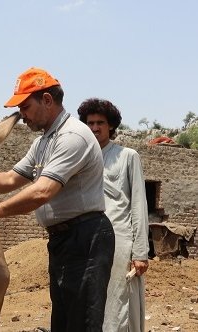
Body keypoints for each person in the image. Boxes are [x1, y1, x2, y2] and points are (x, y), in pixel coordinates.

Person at [0, 67, 115, 332]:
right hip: (62, 241)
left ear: (46, 100)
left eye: (25, 106)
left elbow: (42, 192)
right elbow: (11, 179)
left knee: (82, 324)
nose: (22, 115)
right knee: (63, 322)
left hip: (86, 239)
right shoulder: (43, 141)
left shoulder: (73, 136)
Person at [78, 98, 149, 332]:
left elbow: (138, 204)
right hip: (85, 241)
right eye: (90, 123)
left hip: (119, 240)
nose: (95, 128)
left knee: (118, 303)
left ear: (111, 126)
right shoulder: (79, 159)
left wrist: (140, 252)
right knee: (87, 302)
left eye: (100, 122)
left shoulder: (128, 156)